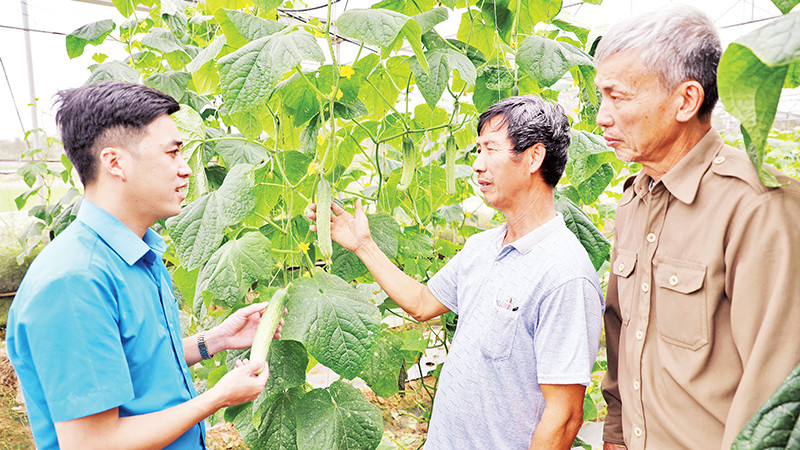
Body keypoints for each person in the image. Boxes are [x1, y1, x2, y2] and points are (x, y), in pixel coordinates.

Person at [310, 96, 604, 449]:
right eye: (476, 150)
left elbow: (565, 416)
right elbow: (421, 303)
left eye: (489, 149)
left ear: (533, 157)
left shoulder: (565, 273)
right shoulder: (481, 247)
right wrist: (363, 245)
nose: (477, 165)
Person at [7, 81, 279, 449]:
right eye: (172, 153)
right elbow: (92, 443)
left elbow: (133, 361)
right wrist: (214, 398)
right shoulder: (74, 282)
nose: (185, 170)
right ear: (115, 163)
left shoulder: (135, 253)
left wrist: (217, 339)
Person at [595, 7, 800, 450]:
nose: (601, 117)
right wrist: (615, 435)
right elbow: (622, 339)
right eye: (600, 97)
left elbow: (773, 388)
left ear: (685, 100)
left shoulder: (757, 206)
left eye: (618, 97)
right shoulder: (635, 200)